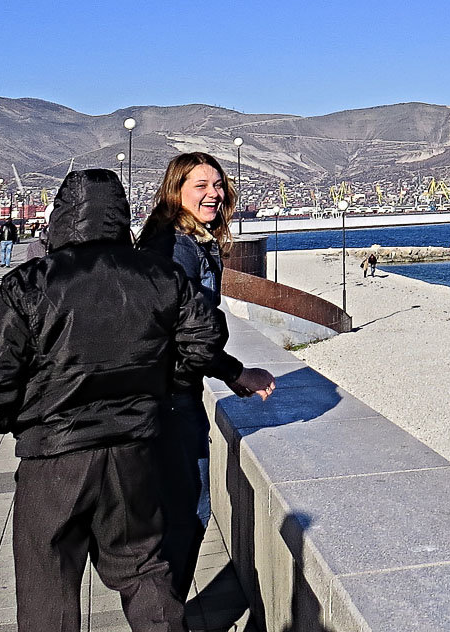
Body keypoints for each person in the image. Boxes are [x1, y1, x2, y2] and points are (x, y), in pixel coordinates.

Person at [0, 169, 226, 632]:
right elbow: (206, 336)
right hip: (134, 451)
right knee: (145, 570)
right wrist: (160, 386)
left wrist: (25, 420)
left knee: (49, 584)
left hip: (54, 456)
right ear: (121, 216)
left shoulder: (29, 283)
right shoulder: (158, 274)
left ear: (62, 215)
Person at [137, 152, 276, 600]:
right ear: (175, 190)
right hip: (173, 396)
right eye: (201, 185)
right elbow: (187, 330)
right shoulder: (179, 247)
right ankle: (165, 616)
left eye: (218, 184)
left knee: (170, 511)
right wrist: (237, 373)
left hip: (162, 391)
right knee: (191, 511)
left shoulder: (171, 239)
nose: (214, 193)